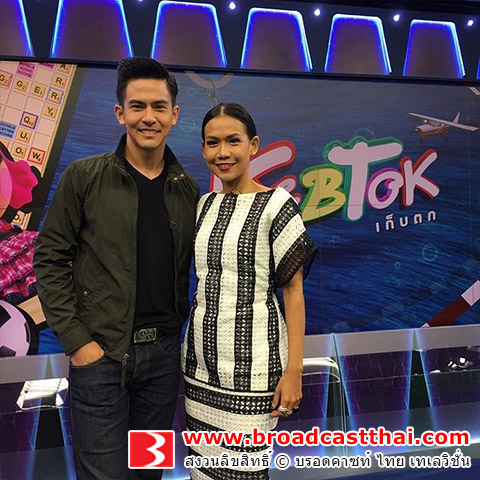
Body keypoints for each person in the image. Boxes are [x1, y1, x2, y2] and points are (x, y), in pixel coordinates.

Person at [34, 57, 199, 479]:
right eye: (137, 106)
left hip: (163, 362)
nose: (149, 117)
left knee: (148, 472)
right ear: (120, 113)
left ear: (175, 114)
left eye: (159, 106)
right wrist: (78, 343)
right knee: (103, 475)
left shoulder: (186, 190)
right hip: (101, 360)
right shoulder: (83, 177)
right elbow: (49, 259)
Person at [182, 103, 317, 478]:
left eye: (233, 141)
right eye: (212, 143)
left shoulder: (277, 205)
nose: (222, 153)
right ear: (203, 149)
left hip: (254, 370)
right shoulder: (203, 206)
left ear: (253, 145)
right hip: (199, 367)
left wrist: (294, 371)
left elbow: (293, 292)